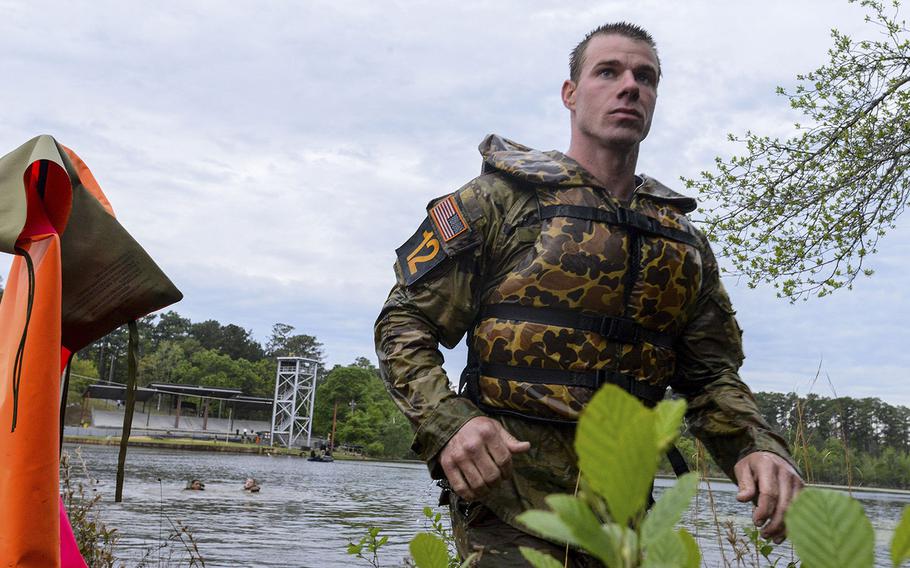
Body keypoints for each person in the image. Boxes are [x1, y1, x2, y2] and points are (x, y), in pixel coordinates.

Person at [374, 22, 804, 566]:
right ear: (570, 94)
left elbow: (711, 377)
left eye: (645, 77)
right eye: (609, 72)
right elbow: (403, 323)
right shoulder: (499, 203)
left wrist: (759, 448)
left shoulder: (682, 243)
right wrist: (449, 423)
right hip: (507, 508)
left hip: (623, 518)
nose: (630, 87)